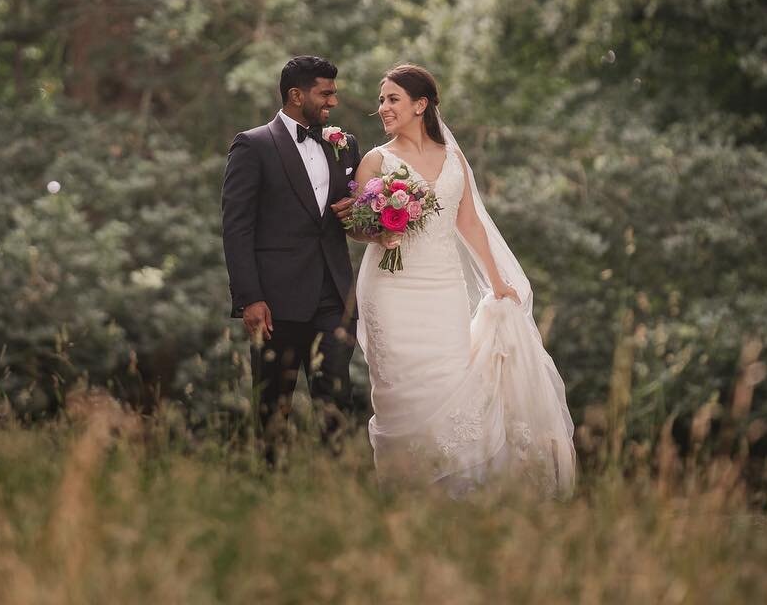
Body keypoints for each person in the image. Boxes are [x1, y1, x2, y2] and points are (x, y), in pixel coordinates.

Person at [352, 63, 575, 496]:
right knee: (399, 386)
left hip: (444, 290)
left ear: (421, 105)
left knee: (449, 379)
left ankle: (457, 489)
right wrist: (380, 230)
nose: (383, 107)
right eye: (381, 100)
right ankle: (406, 490)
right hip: (390, 289)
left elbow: (469, 222)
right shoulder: (376, 160)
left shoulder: (453, 158)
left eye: (392, 99)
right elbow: (355, 226)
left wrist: (497, 281)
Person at [221, 55, 362, 461]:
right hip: (274, 303)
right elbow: (237, 227)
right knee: (272, 409)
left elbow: (351, 209)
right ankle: (269, 496)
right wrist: (249, 298)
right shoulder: (253, 145)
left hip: (333, 299)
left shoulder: (345, 145)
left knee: (337, 401)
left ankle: (338, 493)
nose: (333, 102)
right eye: (326, 93)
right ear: (296, 95)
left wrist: (356, 209)